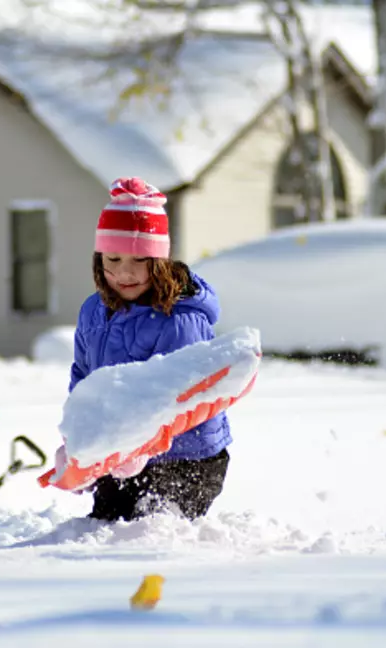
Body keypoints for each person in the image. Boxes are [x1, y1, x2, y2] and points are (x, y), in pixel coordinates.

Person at [69, 176, 231, 523]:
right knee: (104, 528)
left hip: (187, 457)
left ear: (158, 261)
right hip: (123, 451)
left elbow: (178, 393)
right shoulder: (93, 312)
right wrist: (82, 440)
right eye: (113, 258)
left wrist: (141, 442)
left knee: (151, 532)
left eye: (139, 260)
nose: (124, 272)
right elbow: (84, 378)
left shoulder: (178, 319)